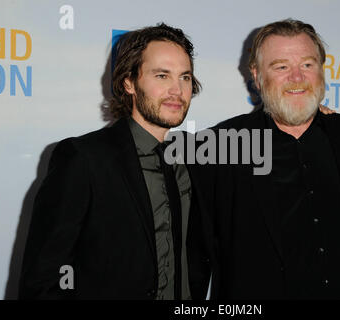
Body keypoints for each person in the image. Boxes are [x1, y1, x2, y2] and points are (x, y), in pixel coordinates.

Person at [189, 19, 340, 300]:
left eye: (307, 65)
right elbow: (194, 265)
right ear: (257, 76)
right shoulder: (219, 147)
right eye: (281, 67)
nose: (297, 78)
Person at [19, 23, 205, 300]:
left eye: (185, 77)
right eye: (162, 76)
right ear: (129, 82)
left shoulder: (196, 161)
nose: (177, 90)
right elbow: (42, 280)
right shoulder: (83, 159)